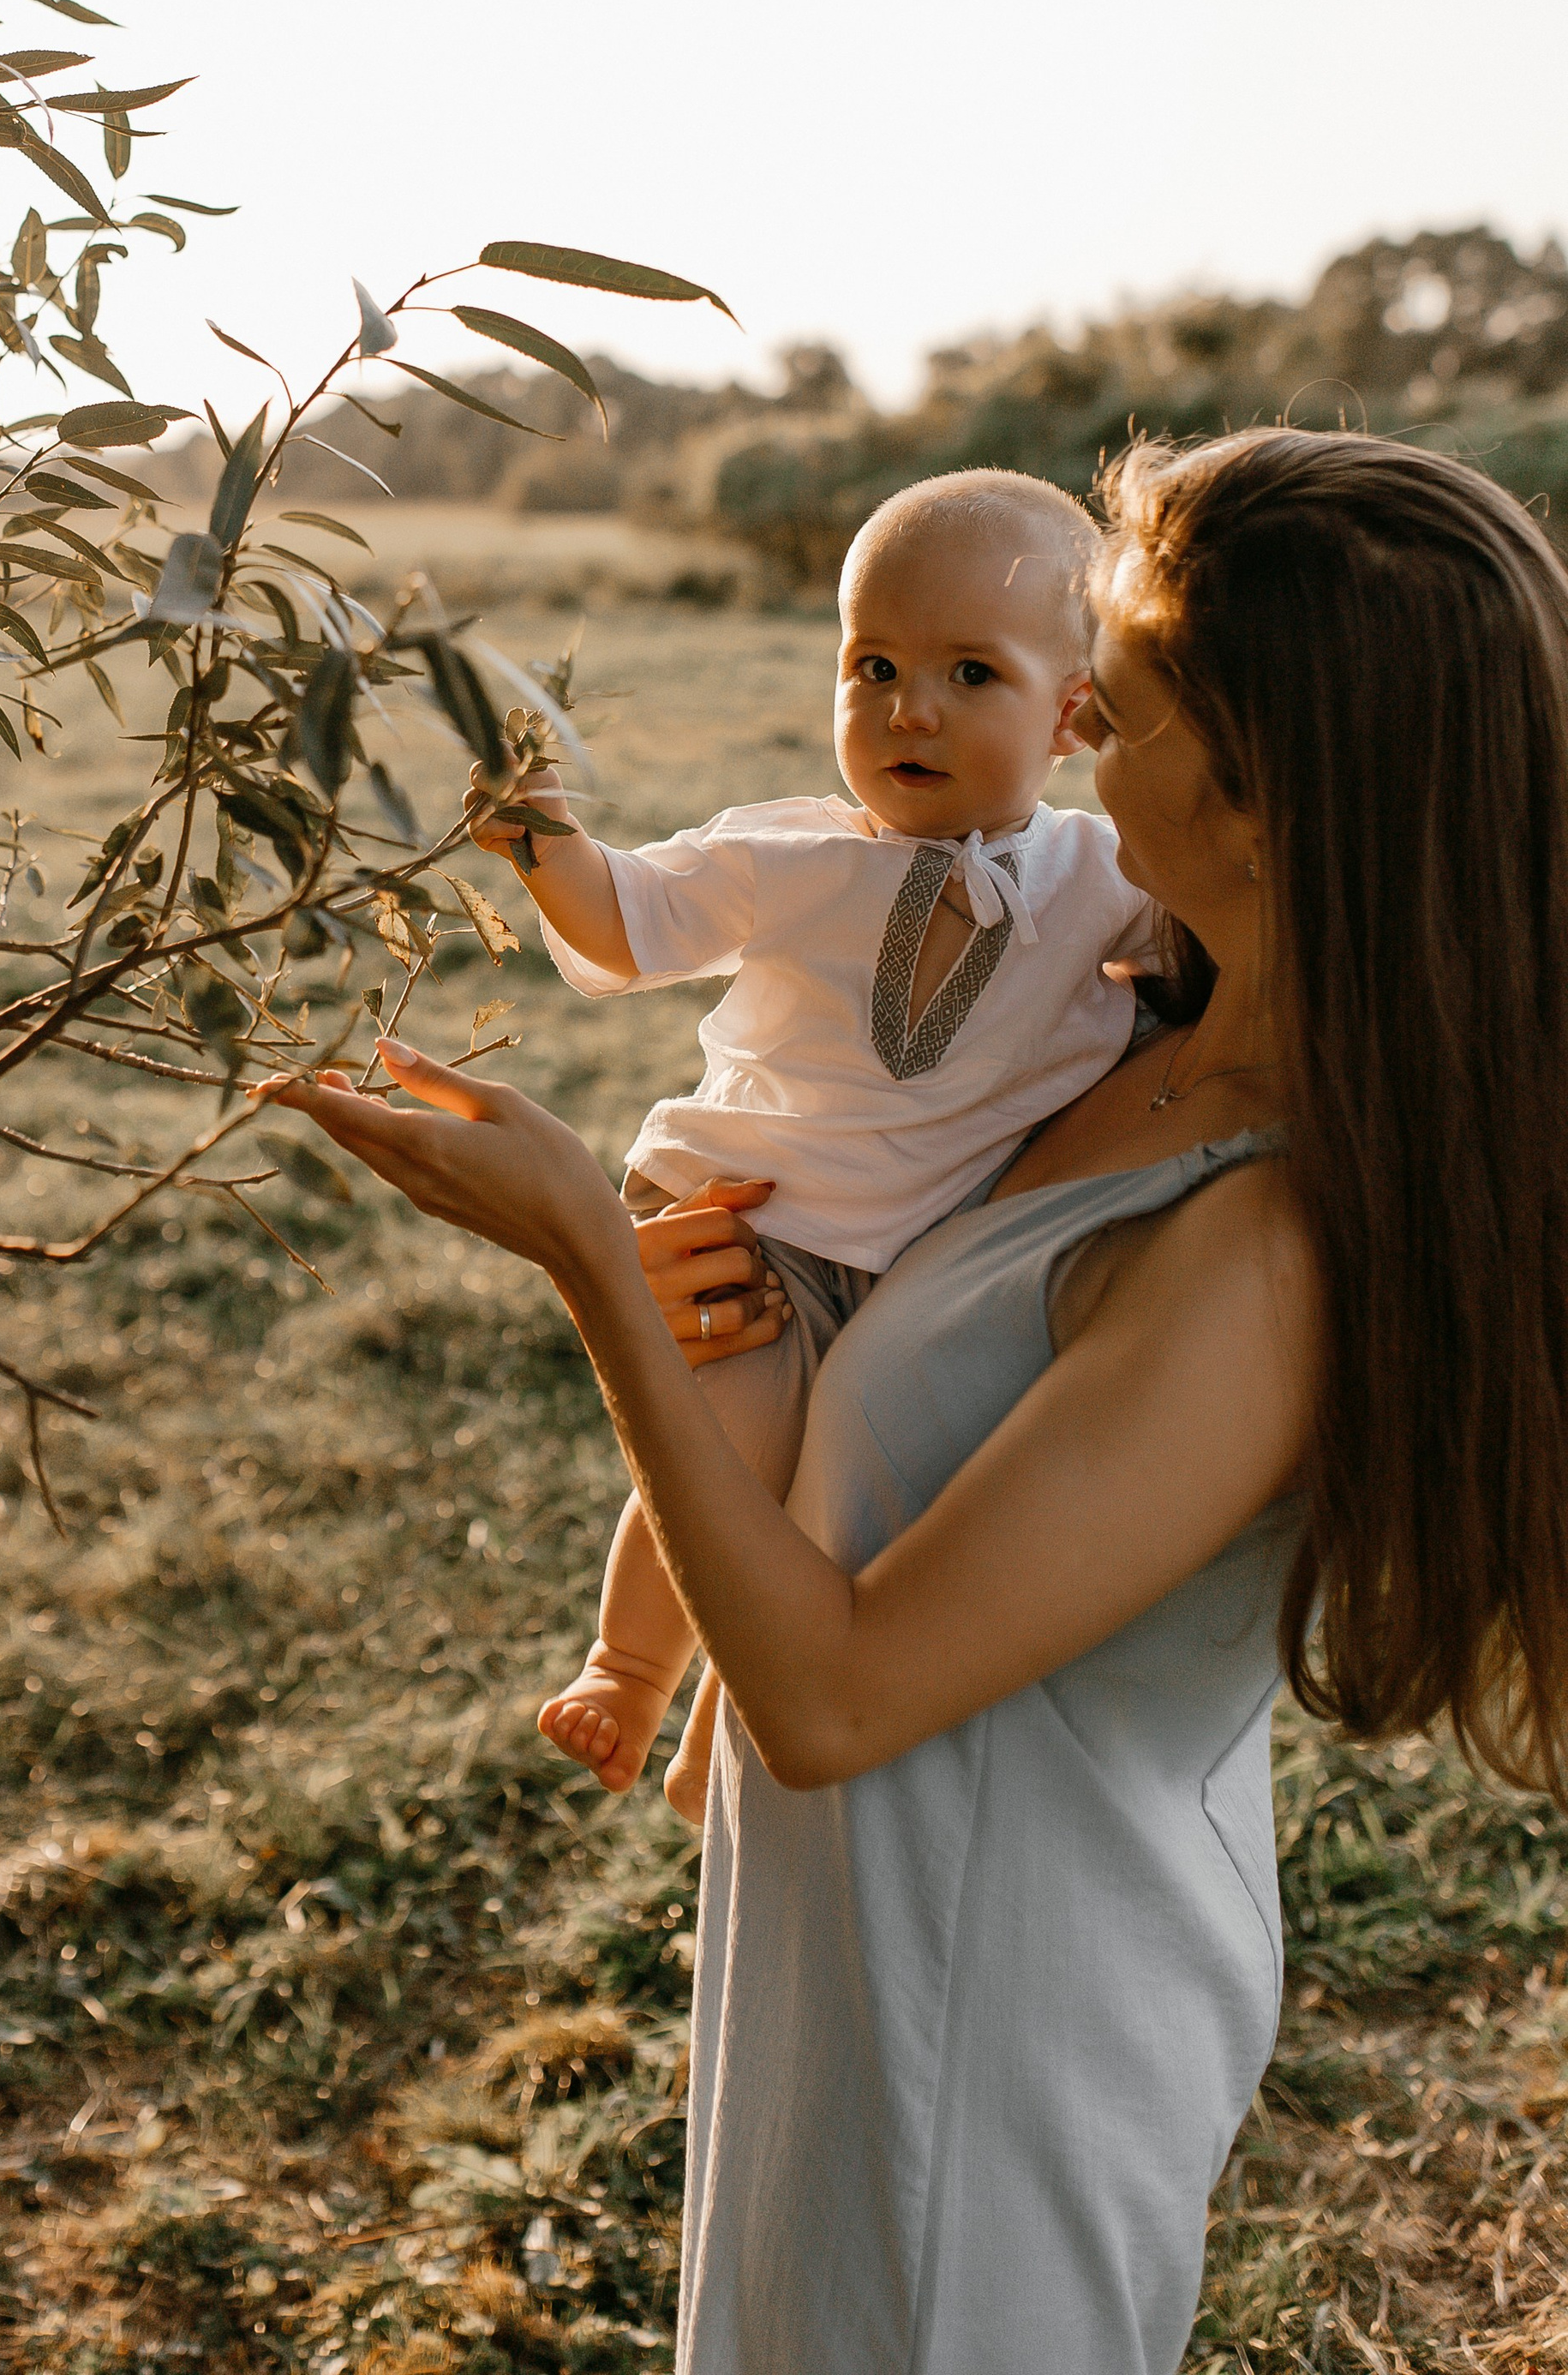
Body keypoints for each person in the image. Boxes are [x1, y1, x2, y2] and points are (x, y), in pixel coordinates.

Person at [275, 428, 1568, 2374]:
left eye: (1113, 700)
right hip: (863, 1947)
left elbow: (836, 1693)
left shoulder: (1263, 1254)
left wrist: (584, 1260)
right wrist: (698, 1284)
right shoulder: (1118, 1036)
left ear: (1267, 785)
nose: (1073, 724)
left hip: (992, 2021)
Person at [462, 468, 1154, 1815]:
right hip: (754, 1222)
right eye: (874, 665)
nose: (909, 708)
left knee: (854, 1496)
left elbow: (1227, 938)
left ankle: (728, 1723)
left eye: (970, 673)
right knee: (729, 1451)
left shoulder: (1105, 877)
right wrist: (543, 841)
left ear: (1072, 714)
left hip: (914, 1259)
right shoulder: (795, 855)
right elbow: (630, 920)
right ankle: (630, 1669)